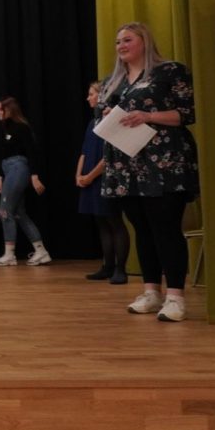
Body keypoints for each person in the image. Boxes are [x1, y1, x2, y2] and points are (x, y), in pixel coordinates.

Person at [100, 22, 199, 323]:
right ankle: (151, 291)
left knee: (165, 227)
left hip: (164, 162)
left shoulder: (169, 71)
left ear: (144, 41)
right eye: (118, 41)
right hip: (126, 165)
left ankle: (175, 297)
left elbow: (188, 112)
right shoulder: (113, 82)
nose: (121, 46)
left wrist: (147, 115)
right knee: (142, 229)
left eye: (127, 40)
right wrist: (109, 115)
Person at [76, 80, 129, 284]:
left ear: (102, 96)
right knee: (101, 223)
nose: (88, 98)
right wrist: (79, 175)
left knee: (114, 222)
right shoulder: (92, 123)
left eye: (91, 94)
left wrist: (91, 176)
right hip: (90, 179)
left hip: (106, 178)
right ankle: (107, 266)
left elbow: (110, 156)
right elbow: (84, 151)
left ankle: (120, 269)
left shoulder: (112, 122)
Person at [0, 97, 52, 267]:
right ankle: (41, 251)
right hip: (8, 170)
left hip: (19, 168)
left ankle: (9, 255)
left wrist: (34, 176)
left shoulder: (21, 127)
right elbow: (3, 154)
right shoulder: (4, 128)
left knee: (5, 211)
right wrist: (0, 176)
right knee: (19, 213)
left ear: (9, 109)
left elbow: (32, 152)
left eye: (0, 109)